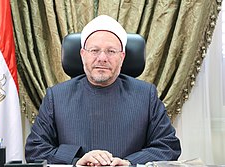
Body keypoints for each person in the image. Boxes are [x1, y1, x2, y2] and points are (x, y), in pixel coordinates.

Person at [25, 15, 181, 166]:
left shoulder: (146, 95)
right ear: (82, 55)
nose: (102, 58)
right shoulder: (56, 97)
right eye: (94, 50)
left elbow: (167, 146)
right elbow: (36, 150)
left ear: (122, 57)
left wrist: (130, 163)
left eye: (111, 51)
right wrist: (75, 160)